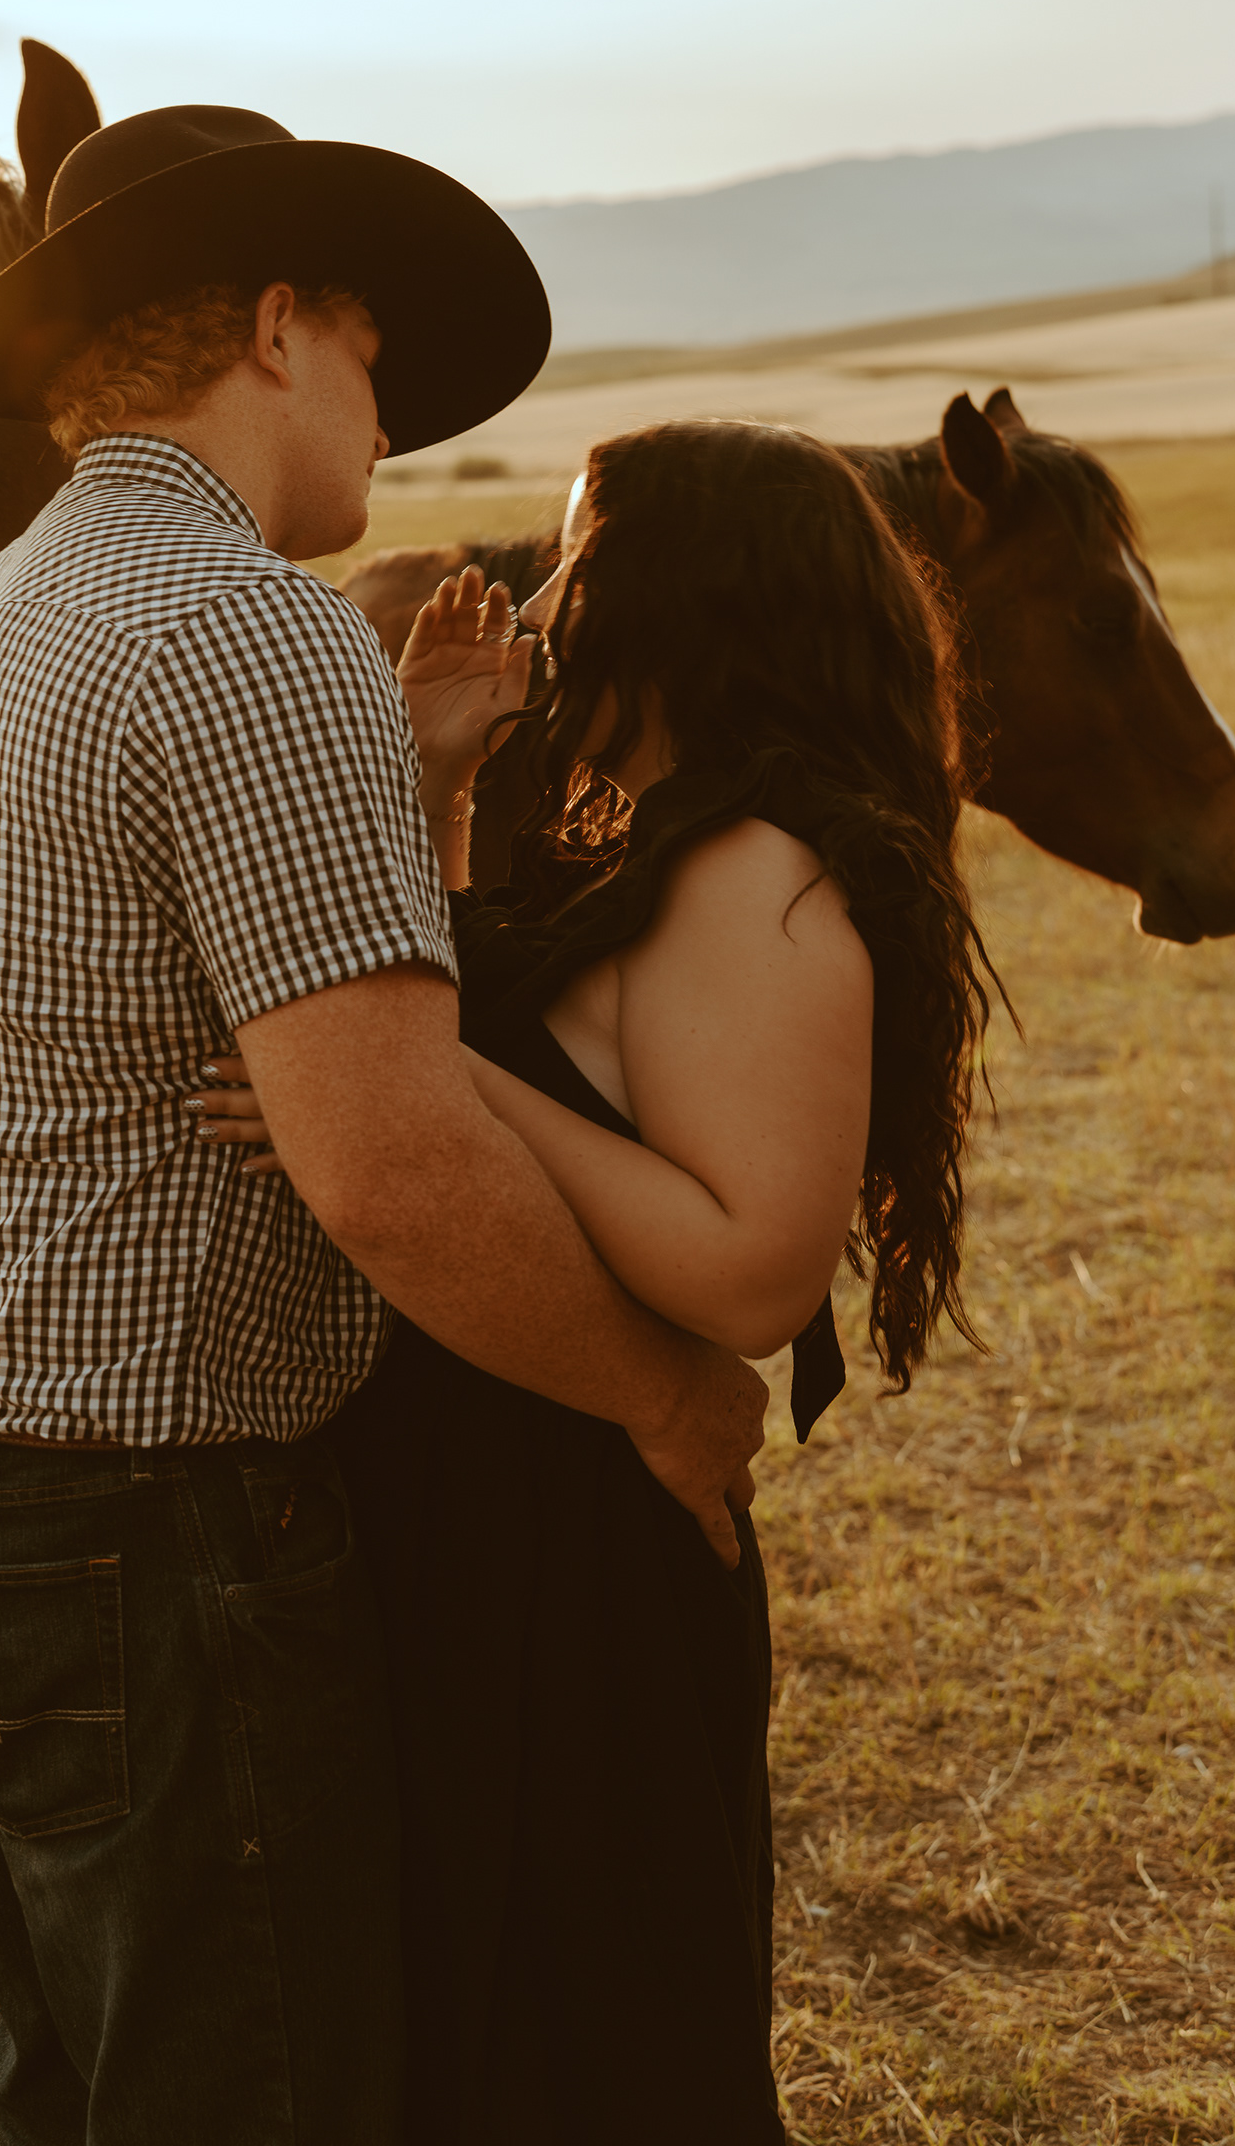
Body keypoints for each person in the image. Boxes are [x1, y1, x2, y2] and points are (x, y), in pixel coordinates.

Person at [0, 108, 770, 2146]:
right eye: (373, 363)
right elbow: (395, 1167)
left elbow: (229, 1013)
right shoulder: (254, 634)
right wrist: (661, 1395)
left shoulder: (28, 600)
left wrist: (419, 782)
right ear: (277, 327)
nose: (391, 435)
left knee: (82, 2087)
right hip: (146, 1538)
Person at [207, 417, 992, 2144]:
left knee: (597, 2049)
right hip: (482, 1501)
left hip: (581, 1543)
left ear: (693, 598)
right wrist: (438, 786)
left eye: (582, 560)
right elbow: (496, 1006)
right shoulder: (660, 838)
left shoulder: (760, 879)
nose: (549, 600)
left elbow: (746, 1271)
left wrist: (402, 1083)